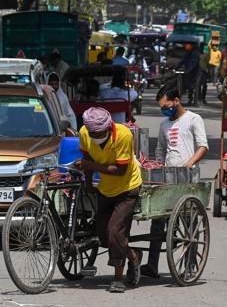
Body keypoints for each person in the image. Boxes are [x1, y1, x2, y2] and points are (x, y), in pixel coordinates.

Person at [140, 87, 209, 278]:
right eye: (162, 107)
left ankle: (190, 266)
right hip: (167, 177)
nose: (165, 110)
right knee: (158, 220)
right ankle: (152, 265)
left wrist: (189, 164)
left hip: (188, 177)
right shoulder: (163, 125)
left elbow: (203, 146)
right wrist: (157, 166)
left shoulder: (193, 119)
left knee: (189, 224)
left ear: (176, 101)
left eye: (166, 106)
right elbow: (161, 148)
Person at [77, 107, 143, 293]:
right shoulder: (84, 133)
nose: (95, 136)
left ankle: (118, 278)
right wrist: (88, 181)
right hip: (105, 189)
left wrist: (89, 165)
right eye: (92, 133)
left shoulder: (123, 135)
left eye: (98, 133)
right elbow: (87, 157)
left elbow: (120, 170)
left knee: (116, 232)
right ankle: (133, 255)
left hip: (127, 187)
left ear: (108, 128)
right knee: (103, 235)